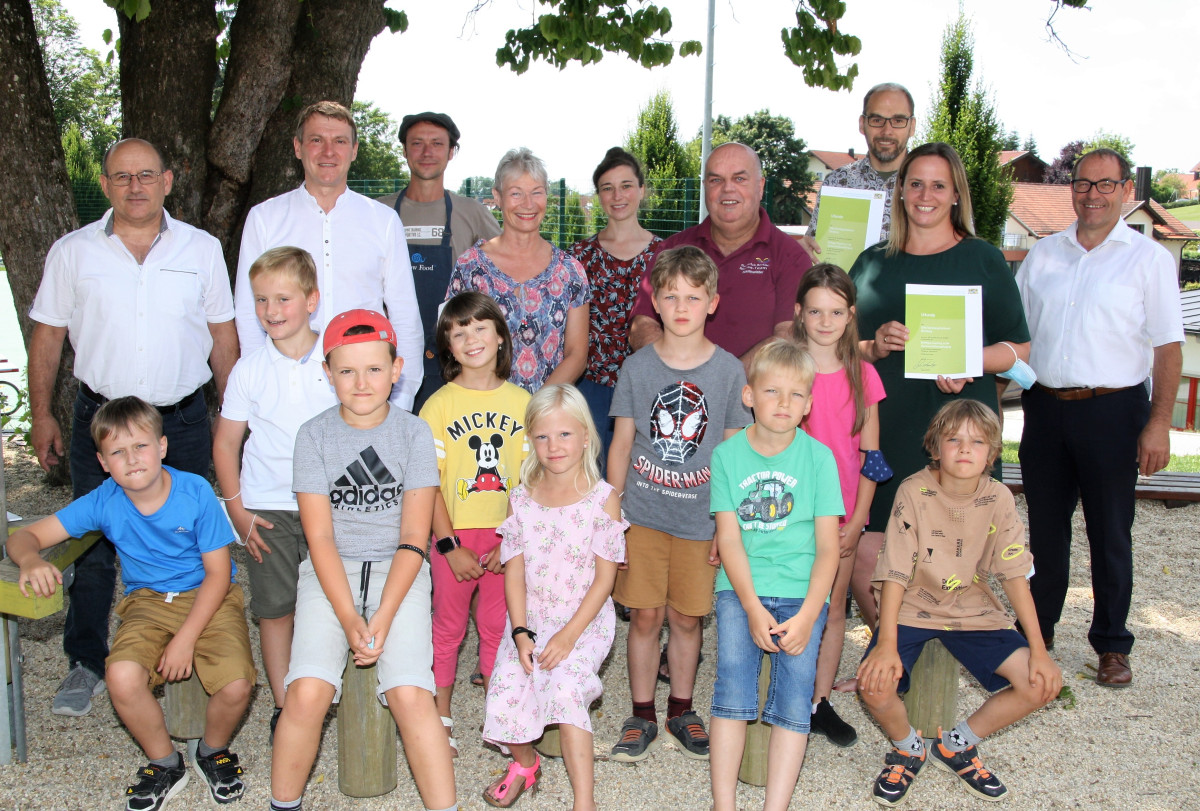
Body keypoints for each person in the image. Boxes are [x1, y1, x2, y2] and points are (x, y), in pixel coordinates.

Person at [27, 137, 238, 717]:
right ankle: (88, 662)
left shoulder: (201, 248)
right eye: (123, 176)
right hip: (103, 423)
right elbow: (47, 335)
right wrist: (41, 411)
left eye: (147, 175)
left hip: (184, 421)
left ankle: (195, 648)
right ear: (105, 184)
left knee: (197, 540)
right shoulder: (73, 251)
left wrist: (236, 419)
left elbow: (222, 335)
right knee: (92, 544)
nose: (136, 186)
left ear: (168, 181)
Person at [8, 397, 255, 809]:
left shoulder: (195, 492)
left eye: (140, 446)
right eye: (117, 452)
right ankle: (164, 761)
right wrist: (31, 559)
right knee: (121, 676)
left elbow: (217, 574)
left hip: (209, 596)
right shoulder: (104, 501)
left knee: (237, 685)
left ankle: (212, 750)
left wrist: (185, 639)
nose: (131, 459)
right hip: (147, 601)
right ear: (104, 463)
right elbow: (23, 536)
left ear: (161, 446)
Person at [270, 310, 455, 811]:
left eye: (375, 369)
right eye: (346, 371)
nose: (361, 382)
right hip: (333, 571)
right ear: (327, 373)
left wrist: (384, 615)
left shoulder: (414, 434)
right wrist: (351, 616)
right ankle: (283, 802)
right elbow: (320, 537)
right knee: (306, 691)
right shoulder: (313, 436)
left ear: (397, 370)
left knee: (412, 695)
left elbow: (416, 538)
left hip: (402, 572)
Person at [1016, 148, 1185, 687]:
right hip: (1044, 408)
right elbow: (1017, 342)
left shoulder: (1149, 259)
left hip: (1115, 410)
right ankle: (1037, 633)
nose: (1093, 194)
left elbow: (1168, 349)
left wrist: (1158, 425)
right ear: (1072, 189)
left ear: (1126, 191)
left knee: (1110, 531)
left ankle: (1112, 645)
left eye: (1106, 185)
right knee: (1043, 532)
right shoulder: (1043, 256)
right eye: (1084, 184)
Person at [849, 142, 1030, 631]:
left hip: (955, 433)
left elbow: (1021, 350)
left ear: (955, 195)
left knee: (945, 560)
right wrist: (874, 345)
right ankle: (892, 653)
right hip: (883, 430)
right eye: (915, 183)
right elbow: (839, 345)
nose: (925, 194)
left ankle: (920, 659)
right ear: (900, 192)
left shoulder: (983, 259)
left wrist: (973, 361)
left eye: (938, 185)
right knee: (866, 553)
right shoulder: (871, 263)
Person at [857, 400, 1060, 806]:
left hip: (973, 609)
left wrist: (1038, 650)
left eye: (977, 442)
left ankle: (958, 744)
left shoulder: (999, 497)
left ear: (992, 453)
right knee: (874, 685)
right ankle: (906, 746)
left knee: (1040, 685)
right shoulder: (914, 491)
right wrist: (885, 642)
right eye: (954, 439)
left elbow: (1015, 573)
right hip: (913, 605)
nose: (965, 449)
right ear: (935, 447)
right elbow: (895, 571)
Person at [606, 246, 749, 764]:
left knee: (687, 619)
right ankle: (642, 712)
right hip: (642, 516)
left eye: (694, 296)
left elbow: (734, 456)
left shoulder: (730, 372)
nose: (682, 306)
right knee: (644, 616)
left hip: (699, 519)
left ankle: (680, 709)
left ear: (712, 302)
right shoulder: (637, 368)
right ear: (656, 303)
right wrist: (611, 513)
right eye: (671, 296)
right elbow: (621, 445)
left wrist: (723, 525)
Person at [708, 339, 842, 811]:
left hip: (804, 595)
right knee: (732, 690)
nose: (783, 404)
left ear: (808, 404)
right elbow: (729, 541)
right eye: (771, 391)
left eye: (796, 394)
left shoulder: (820, 459)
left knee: (793, 700)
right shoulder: (726, 457)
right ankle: (722, 804)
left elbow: (829, 550)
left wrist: (809, 615)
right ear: (748, 396)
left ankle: (776, 806)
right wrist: (749, 606)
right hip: (740, 591)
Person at [481, 384, 627, 810]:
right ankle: (524, 764)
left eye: (564, 434)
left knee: (565, 691)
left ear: (586, 435)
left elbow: (605, 580)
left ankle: (585, 800)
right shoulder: (521, 499)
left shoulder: (603, 500)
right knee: (505, 688)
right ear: (530, 439)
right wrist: (522, 632)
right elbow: (515, 572)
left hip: (583, 620)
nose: (553, 445)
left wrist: (567, 637)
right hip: (531, 618)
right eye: (542, 436)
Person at [212, 246, 336, 740]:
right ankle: (288, 709)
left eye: (283, 298)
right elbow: (226, 444)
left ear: (311, 300)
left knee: (331, 600)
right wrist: (236, 510)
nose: (271, 311)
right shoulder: (248, 369)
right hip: (267, 508)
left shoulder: (337, 362)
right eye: (261, 300)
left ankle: (326, 691)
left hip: (329, 504)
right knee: (275, 608)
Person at [235, 100, 423, 408]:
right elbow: (247, 309)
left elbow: (404, 315)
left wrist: (401, 401)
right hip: (286, 390)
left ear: (354, 150)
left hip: (364, 392)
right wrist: (260, 388)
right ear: (298, 147)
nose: (328, 152)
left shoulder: (383, 221)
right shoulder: (265, 218)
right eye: (316, 140)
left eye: (339, 141)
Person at [418, 292, 529, 756]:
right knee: (446, 628)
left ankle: (498, 716)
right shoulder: (437, 406)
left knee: (497, 630)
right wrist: (448, 545)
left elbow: (528, 483)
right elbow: (427, 485)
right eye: (458, 331)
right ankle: (439, 718)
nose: (471, 338)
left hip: (504, 539)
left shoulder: (525, 403)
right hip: (454, 537)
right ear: (447, 345)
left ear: (501, 337)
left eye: (480, 327)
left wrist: (511, 540)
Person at [790, 264, 886, 748]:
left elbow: (872, 457)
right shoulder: (786, 371)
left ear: (850, 316)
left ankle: (817, 702)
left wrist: (859, 519)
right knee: (786, 603)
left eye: (835, 312)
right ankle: (785, 696)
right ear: (799, 314)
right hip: (786, 515)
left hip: (844, 518)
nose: (824, 321)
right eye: (815, 311)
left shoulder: (863, 375)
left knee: (831, 610)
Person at [627, 142, 811, 373]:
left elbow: (788, 337)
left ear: (761, 186)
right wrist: (678, 377)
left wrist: (720, 383)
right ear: (705, 187)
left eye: (740, 179)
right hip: (675, 396)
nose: (727, 189)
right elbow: (642, 326)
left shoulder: (790, 257)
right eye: (716, 180)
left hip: (754, 403)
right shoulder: (671, 249)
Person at [376, 112, 502, 412]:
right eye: (417, 143)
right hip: (386, 355)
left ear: (451, 152)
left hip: (452, 359)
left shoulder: (471, 212)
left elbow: (506, 266)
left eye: (436, 143)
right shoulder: (378, 212)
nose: (427, 151)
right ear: (405, 150)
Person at [446, 147, 589, 393]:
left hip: (547, 415)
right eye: (516, 193)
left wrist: (537, 407)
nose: (528, 204)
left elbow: (576, 354)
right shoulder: (470, 266)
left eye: (537, 192)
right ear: (498, 197)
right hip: (485, 412)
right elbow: (455, 340)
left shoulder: (570, 271)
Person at [569, 147, 662, 470]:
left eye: (626, 185)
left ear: (641, 190)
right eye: (607, 188)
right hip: (590, 387)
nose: (617, 195)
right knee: (587, 479)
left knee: (640, 480)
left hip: (647, 389)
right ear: (598, 195)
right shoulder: (578, 257)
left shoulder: (665, 255)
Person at [802, 82, 916, 259]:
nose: (887, 131)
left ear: (912, 126)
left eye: (898, 121)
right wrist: (804, 249)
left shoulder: (932, 185)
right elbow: (817, 249)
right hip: (849, 286)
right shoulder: (838, 182)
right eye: (877, 120)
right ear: (862, 124)